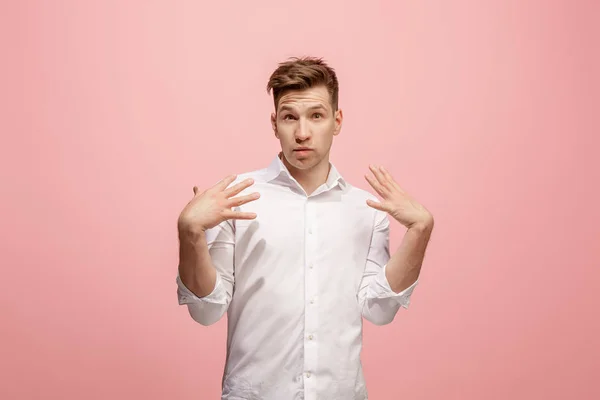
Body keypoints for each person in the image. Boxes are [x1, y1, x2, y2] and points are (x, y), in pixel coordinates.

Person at [175, 56, 434, 400]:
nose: (302, 133)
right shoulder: (235, 198)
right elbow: (206, 311)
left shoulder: (367, 210)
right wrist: (189, 232)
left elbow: (380, 310)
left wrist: (420, 231)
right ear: (274, 122)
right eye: (289, 117)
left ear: (337, 120)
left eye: (316, 116)